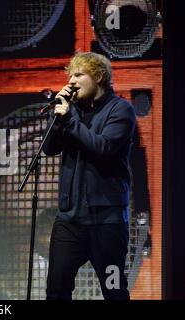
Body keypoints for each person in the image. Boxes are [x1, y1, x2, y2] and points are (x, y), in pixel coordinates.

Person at [42, 52, 136, 300]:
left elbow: (103, 147)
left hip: (107, 223)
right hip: (69, 221)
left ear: (99, 77)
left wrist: (71, 121)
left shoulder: (121, 110)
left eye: (78, 74)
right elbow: (50, 148)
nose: (71, 81)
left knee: (114, 289)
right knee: (56, 289)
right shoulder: (72, 112)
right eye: (70, 75)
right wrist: (59, 119)